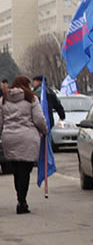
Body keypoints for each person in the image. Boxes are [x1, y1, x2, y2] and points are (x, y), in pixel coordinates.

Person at [0, 76, 48, 214]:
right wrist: (44, 131)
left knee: (16, 171)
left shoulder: (3, 100)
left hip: (9, 138)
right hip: (28, 138)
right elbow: (38, 119)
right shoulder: (31, 98)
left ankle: (20, 198)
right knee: (25, 171)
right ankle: (22, 201)